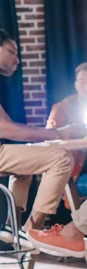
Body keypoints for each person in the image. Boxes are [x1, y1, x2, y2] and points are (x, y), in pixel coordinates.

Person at [0, 27, 85, 247]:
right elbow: (4, 129)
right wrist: (57, 133)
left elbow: (5, 128)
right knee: (62, 158)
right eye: (12, 52)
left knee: (29, 162)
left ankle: (12, 226)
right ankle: (32, 231)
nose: (17, 59)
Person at [46, 62, 87, 208]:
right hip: (76, 174)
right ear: (76, 85)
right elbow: (49, 140)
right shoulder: (62, 109)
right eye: (83, 82)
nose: (86, 86)